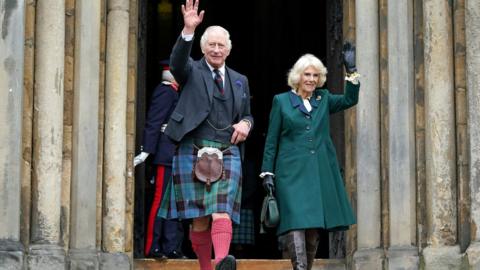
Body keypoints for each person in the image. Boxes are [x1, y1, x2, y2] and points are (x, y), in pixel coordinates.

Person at [157, 0, 253, 269]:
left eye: (221, 45)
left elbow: (247, 114)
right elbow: (177, 62)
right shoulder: (191, 70)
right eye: (211, 44)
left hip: (227, 150)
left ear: (229, 49)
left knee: (221, 210)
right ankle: (206, 267)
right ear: (202, 48)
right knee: (199, 217)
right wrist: (188, 29)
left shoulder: (239, 79)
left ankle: (222, 261)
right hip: (193, 147)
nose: (216, 49)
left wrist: (246, 124)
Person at [260, 43, 360, 270]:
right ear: (298, 76)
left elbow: (349, 100)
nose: (311, 79)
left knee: (313, 228)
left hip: (317, 173)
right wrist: (267, 172)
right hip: (290, 174)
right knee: (295, 223)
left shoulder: (323, 99)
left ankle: (307, 266)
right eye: (307, 74)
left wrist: (351, 70)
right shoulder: (281, 101)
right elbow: (272, 140)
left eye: (316, 75)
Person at [134, 61, 186, 259]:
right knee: (160, 201)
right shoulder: (166, 91)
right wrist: (147, 150)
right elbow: (154, 121)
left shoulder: (176, 93)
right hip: (165, 156)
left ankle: (171, 246)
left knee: (176, 203)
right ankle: (153, 247)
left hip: (176, 155)